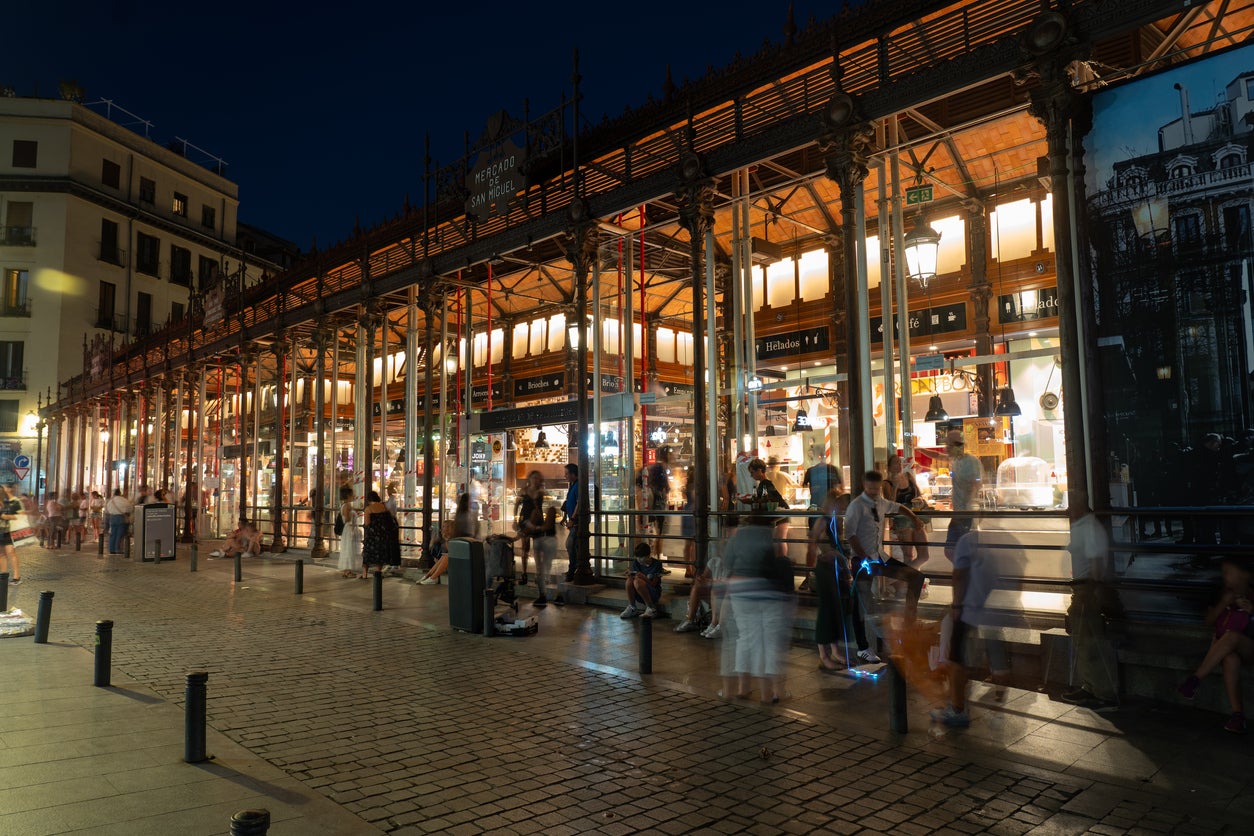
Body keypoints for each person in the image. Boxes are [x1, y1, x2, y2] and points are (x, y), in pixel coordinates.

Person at [931, 524, 1012, 727]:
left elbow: (959, 575)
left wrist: (956, 605)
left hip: (969, 608)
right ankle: (999, 677)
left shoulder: (967, 540)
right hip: (993, 607)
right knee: (988, 640)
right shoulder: (1005, 541)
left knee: (957, 656)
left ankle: (957, 708)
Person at [844, 470, 926, 658]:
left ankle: (909, 625)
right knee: (860, 603)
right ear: (865, 486)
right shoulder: (856, 506)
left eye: (876, 488)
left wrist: (914, 518)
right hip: (862, 560)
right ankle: (863, 647)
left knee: (915, 576)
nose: (873, 491)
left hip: (878, 556)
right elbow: (850, 534)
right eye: (870, 488)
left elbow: (897, 507)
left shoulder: (880, 502)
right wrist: (864, 556)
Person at [721, 515, 795, 703]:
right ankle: (769, 694)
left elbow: (728, 563)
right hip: (767, 591)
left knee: (745, 638)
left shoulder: (736, 537)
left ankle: (743, 688)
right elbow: (779, 561)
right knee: (769, 641)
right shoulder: (772, 536)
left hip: (740, 590)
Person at [1177, 555, 1254, 733]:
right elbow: (1208, 621)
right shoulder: (1222, 594)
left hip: (1250, 647)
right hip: (1228, 648)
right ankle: (1238, 716)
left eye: (1229, 573)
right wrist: (1224, 603)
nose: (1225, 577)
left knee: (1232, 637)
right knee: (1230, 659)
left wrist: (1252, 612)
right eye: (1223, 573)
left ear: (1244, 575)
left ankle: (1195, 680)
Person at [810, 489, 851, 671]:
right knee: (827, 609)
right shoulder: (824, 521)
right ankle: (824, 654)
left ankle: (833, 650)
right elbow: (813, 544)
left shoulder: (834, 521)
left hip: (833, 566)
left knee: (834, 608)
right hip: (826, 567)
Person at [944, 431, 983, 560]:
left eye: (949, 445)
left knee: (957, 552)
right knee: (954, 551)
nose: (946, 448)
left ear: (958, 445)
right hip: (960, 513)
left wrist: (964, 511)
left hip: (965, 514)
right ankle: (967, 577)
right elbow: (938, 456)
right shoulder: (957, 461)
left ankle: (968, 577)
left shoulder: (970, 461)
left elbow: (974, 486)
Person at [740, 458, 789, 556]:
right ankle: (781, 561)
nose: (751, 475)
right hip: (781, 513)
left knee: (780, 540)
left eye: (752, 472)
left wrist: (749, 502)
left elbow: (765, 500)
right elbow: (763, 500)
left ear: (759, 470)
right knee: (779, 540)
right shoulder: (765, 484)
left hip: (780, 514)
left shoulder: (765, 484)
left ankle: (782, 562)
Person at [519, 505, 559, 606]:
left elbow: (546, 526)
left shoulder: (538, 510)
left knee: (542, 569)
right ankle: (556, 596)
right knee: (545, 568)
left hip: (545, 541)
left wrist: (532, 527)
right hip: (547, 540)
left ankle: (545, 596)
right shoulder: (541, 510)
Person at [513, 471, 545, 585]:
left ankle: (538, 574)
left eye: (537, 478)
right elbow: (516, 504)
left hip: (537, 521)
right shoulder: (524, 491)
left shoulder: (540, 492)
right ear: (529, 479)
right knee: (524, 548)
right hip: (525, 521)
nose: (535, 480)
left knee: (537, 550)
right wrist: (515, 520)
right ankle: (524, 573)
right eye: (533, 478)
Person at [362, 490, 401, 577]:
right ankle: (377, 573)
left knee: (367, 555)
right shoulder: (384, 507)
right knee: (380, 555)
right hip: (383, 535)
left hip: (372, 536)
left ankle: (364, 574)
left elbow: (367, 523)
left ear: (368, 499)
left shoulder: (368, 509)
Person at [620, 541, 664, 619]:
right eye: (637, 557)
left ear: (648, 556)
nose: (639, 559)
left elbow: (654, 584)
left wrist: (644, 577)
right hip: (638, 592)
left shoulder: (656, 564)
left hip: (652, 593)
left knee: (638, 581)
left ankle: (651, 608)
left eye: (641, 557)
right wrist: (629, 574)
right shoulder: (636, 563)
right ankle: (632, 607)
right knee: (629, 581)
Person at [646, 447, 671, 560]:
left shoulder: (653, 468)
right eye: (670, 454)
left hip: (652, 507)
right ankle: (657, 560)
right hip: (658, 506)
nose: (672, 456)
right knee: (659, 534)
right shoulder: (660, 468)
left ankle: (655, 559)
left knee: (655, 534)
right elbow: (666, 487)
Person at [0, 482, 24, 585]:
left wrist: (6, 517)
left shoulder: (8, 503)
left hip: (8, 531)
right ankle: (3, 576)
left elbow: (18, 516)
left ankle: (16, 576)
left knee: (10, 552)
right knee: (1, 554)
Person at [337, 485, 362, 578]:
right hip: (350, 528)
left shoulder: (346, 505)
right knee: (349, 549)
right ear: (348, 495)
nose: (353, 495)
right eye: (352, 494)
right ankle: (348, 571)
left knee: (348, 549)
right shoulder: (347, 506)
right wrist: (352, 514)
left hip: (349, 529)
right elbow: (347, 519)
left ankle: (347, 570)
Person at [561, 462, 579, 582]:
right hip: (573, 520)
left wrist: (572, 518)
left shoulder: (578, 486)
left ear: (573, 474)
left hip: (577, 522)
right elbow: (570, 502)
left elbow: (579, 502)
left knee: (571, 545)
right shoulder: (572, 485)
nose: (565, 476)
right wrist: (565, 517)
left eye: (567, 473)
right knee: (573, 546)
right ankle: (574, 568)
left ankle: (573, 569)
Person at [104, 488, 133, 555]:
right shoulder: (124, 500)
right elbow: (130, 508)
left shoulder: (111, 500)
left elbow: (107, 509)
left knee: (113, 533)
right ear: (120, 493)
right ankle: (118, 549)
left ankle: (112, 549)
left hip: (112, 517)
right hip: (121, 517)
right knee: (120, 534)